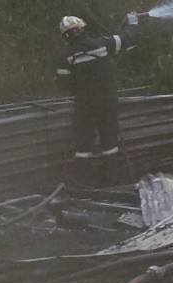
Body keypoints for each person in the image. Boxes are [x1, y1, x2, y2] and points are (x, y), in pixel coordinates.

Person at [57, 13, 139, 172]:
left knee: (82, 143)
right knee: (109, 140)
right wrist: (133, 23)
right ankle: (111, 176)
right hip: (106, 102)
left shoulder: (65, 57)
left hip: (84, 106)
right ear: (81, 29)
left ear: (66, 36)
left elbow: (63, 84)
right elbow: (128, 39)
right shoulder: (101, 44)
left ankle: (83, 178)